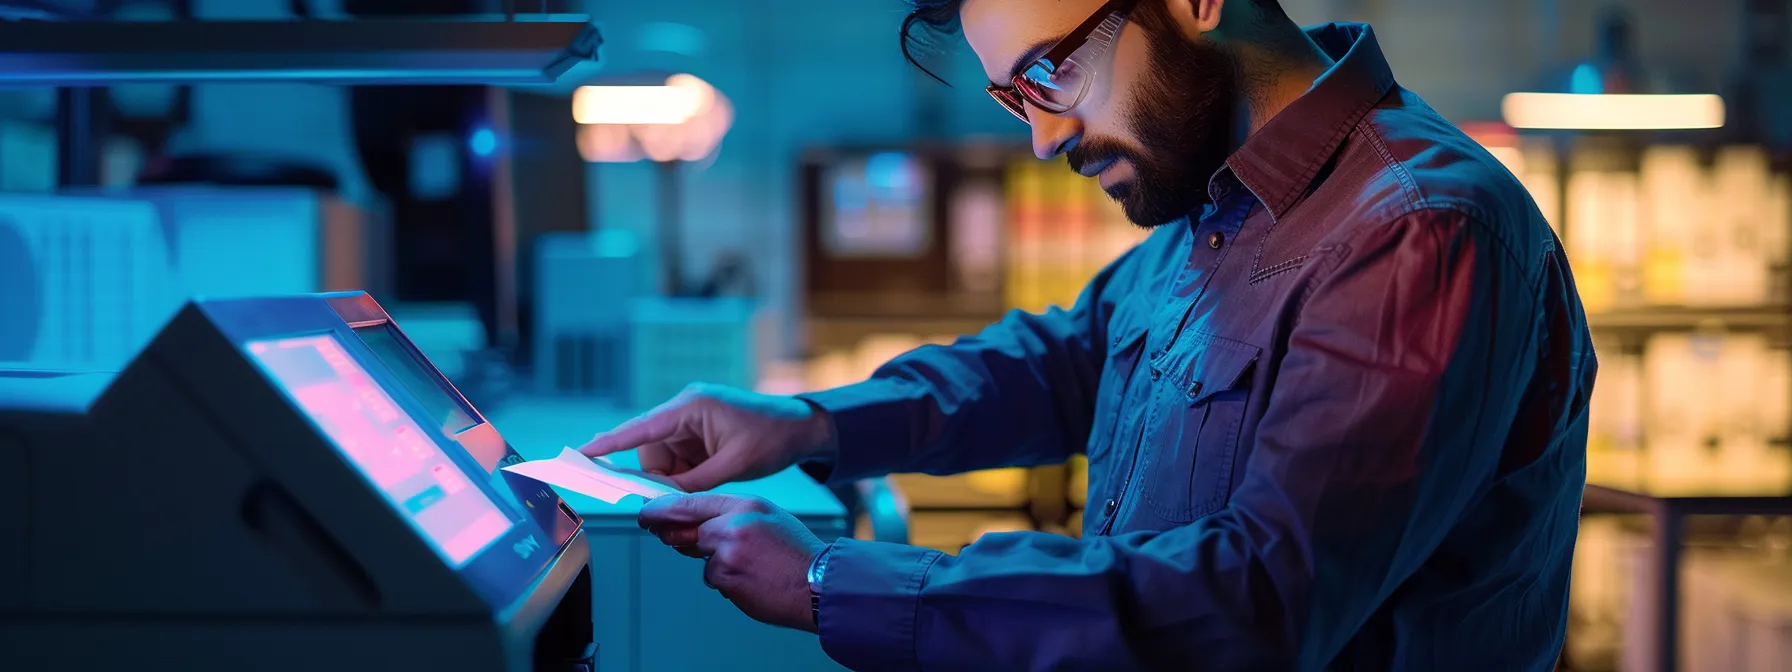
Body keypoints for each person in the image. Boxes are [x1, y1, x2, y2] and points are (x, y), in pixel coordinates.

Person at [581, 0, 1596, 669]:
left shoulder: (1415, 230)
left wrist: (832, 581)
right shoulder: (1220, 204)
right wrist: (806, 425)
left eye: (1051, 72)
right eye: (1013, 96)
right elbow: (1062, 367)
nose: (1044, 135)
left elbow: (1261, 598)